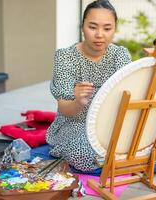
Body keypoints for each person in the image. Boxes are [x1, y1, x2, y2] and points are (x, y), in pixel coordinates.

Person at [46, 0, 132, 172]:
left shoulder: (120, 54)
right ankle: (119, 157)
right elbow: (65, 109)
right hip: (76, 123)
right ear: (82, 26)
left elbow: (130, 93)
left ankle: (111, 156)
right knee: (83, 154)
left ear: (114, 29)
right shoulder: (65, 57)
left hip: (111, 122)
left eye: (107, 28)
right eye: (92, 27)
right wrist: (78, 101)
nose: (100, 34)